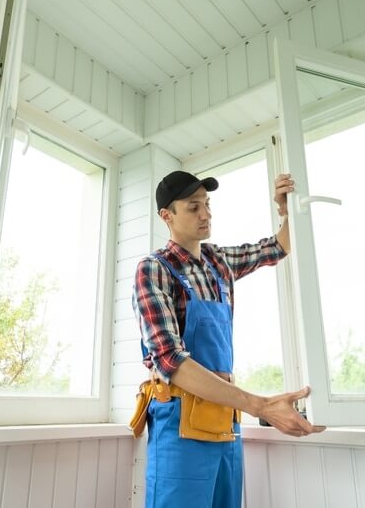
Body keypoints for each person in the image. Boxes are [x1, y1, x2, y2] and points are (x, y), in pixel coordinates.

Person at [131, 169, 325, 508]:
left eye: (207, 204)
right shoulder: (153, 270)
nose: (205, 214)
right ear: (167, 216)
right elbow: (170, 361)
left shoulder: (217, 262)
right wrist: (261, 406)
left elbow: (278, 246)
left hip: (226, 423)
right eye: (193, 207)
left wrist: (286, 209)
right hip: (179, 428)